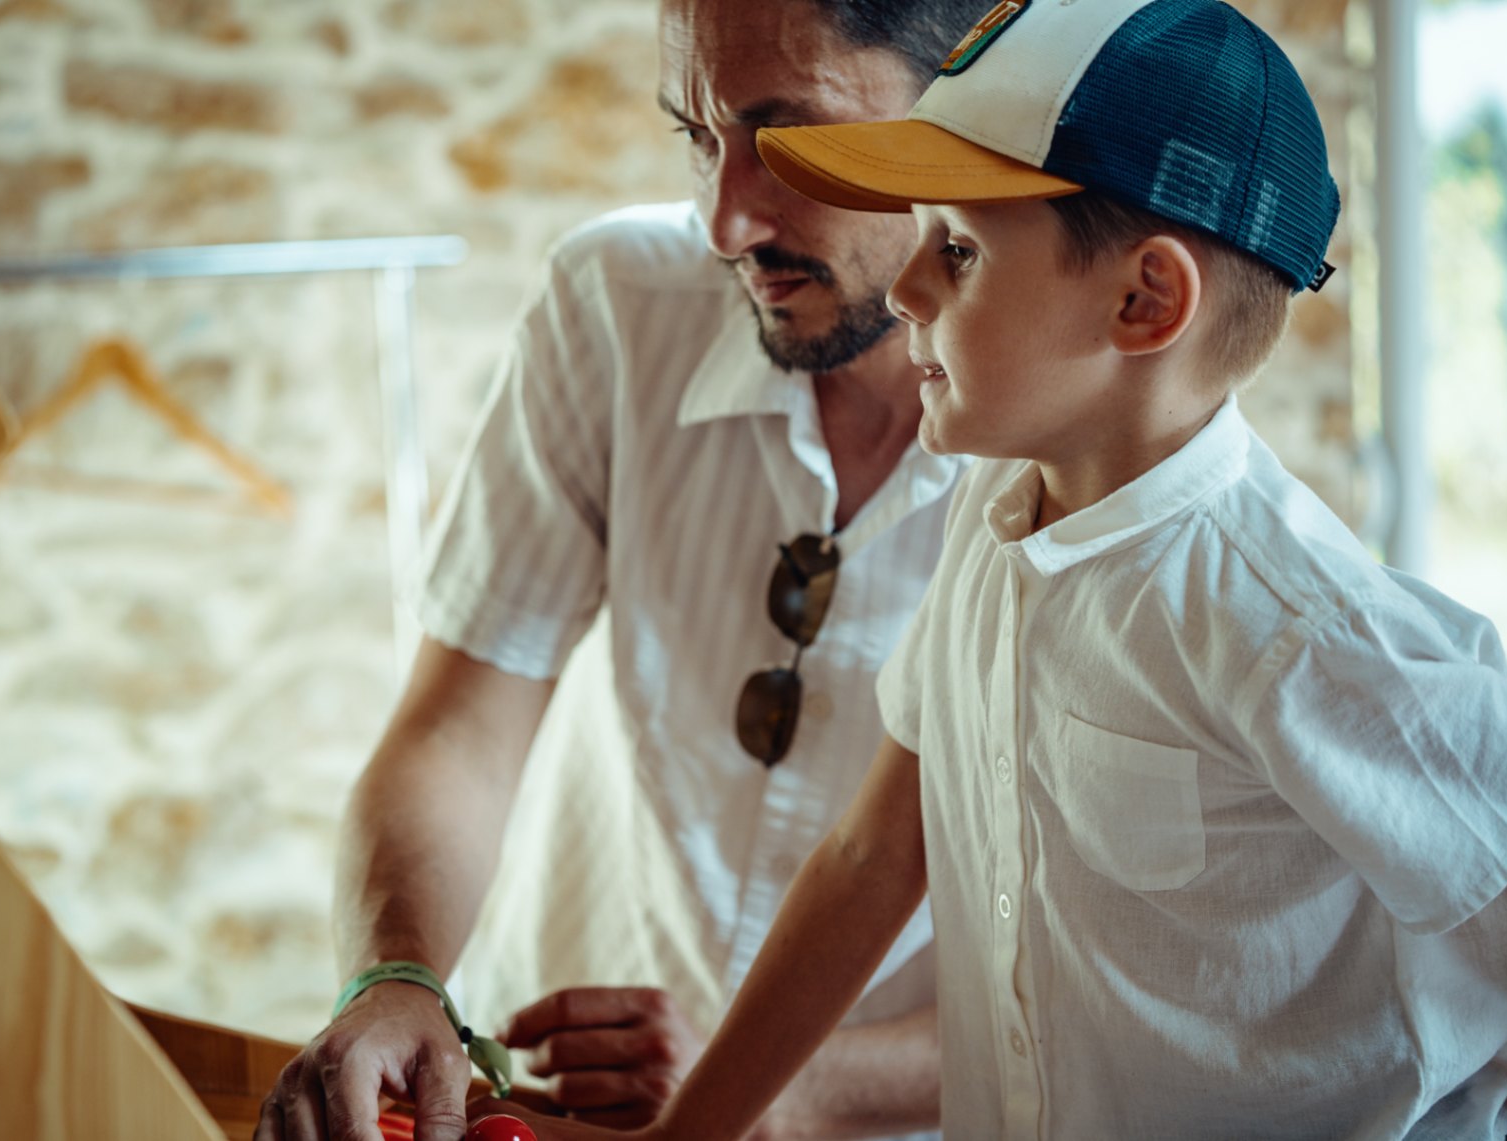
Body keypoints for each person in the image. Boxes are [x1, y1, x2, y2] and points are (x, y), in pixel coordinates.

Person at [477, 0, 1507, 1137]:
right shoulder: (992, 526)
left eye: (957, 250)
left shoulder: (1300, 630)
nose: (908, 288)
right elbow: (873, 856)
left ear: (1143, 301)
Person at [255, 2, 990, 1139]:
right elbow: (458, 726)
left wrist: (777, 1086)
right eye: (700, 139)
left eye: (786, 140)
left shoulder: (1087, 445)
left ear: (970, 102)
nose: (723, 220)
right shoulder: (611, 305)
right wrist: (395, 977)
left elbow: (1108, 987)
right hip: (538, 1114)